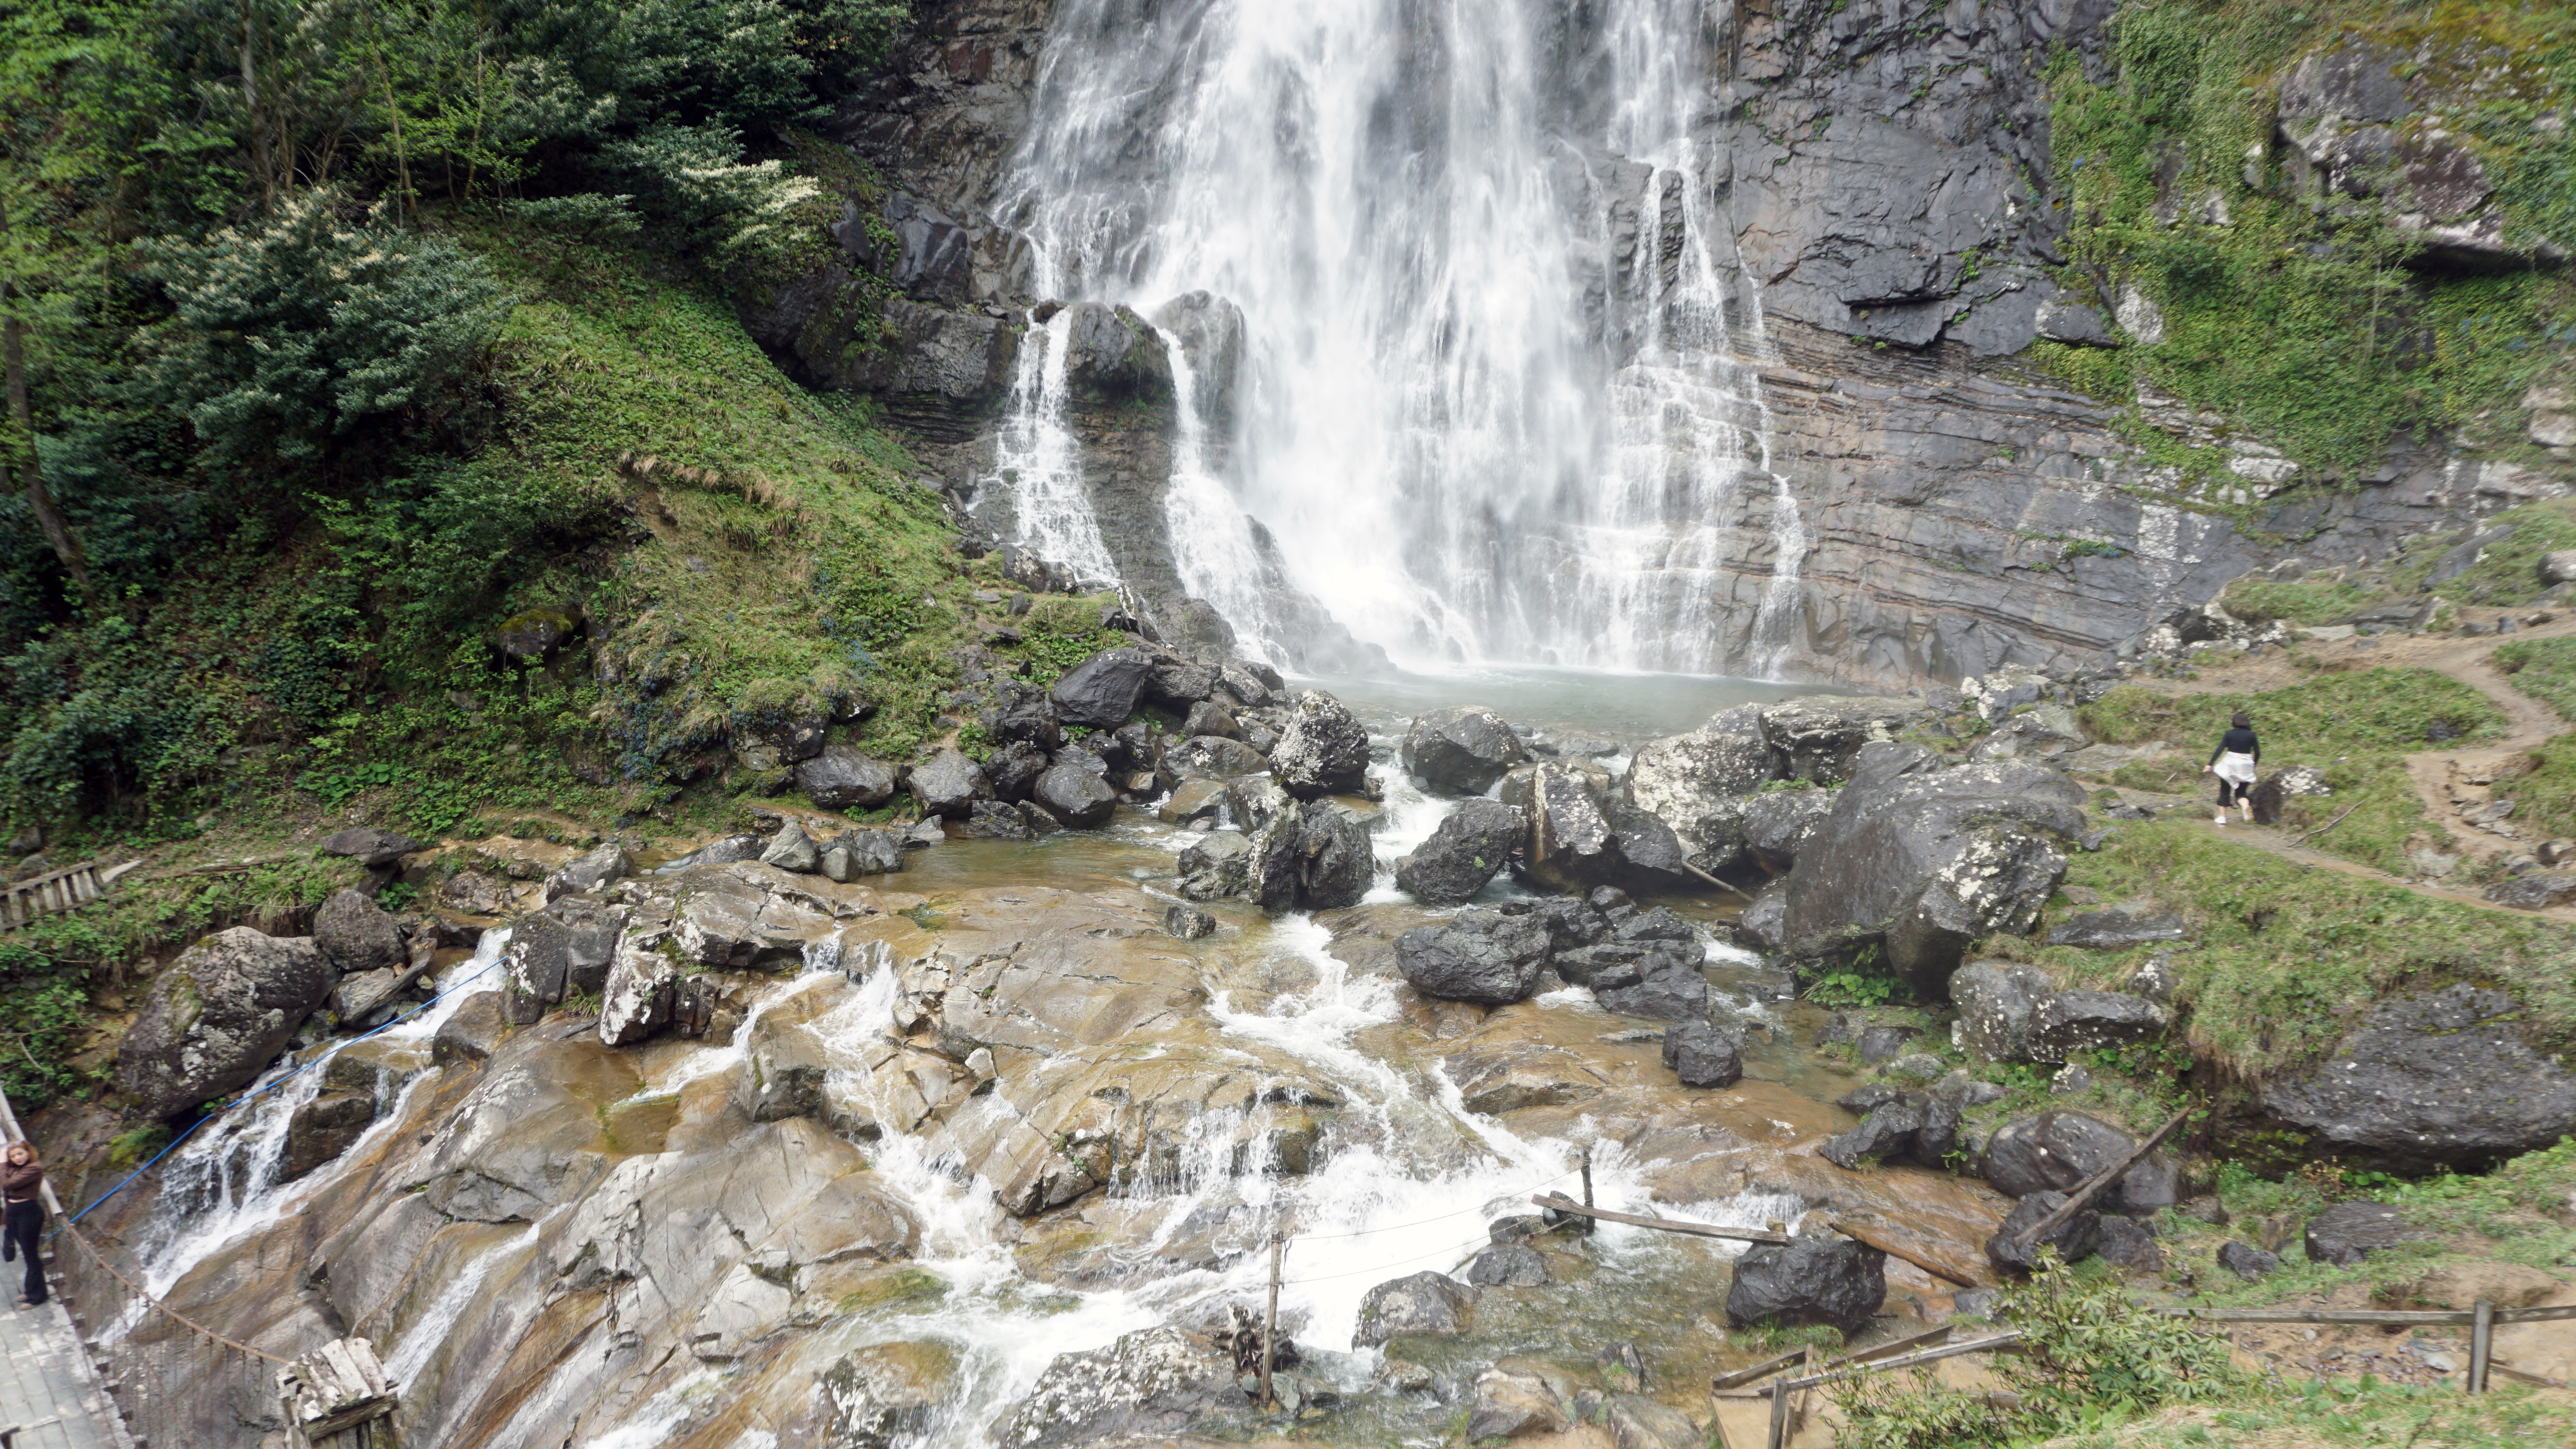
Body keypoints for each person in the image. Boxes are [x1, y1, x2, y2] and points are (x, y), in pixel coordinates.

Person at [2, 1141, 45, 1306]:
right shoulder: (15, 1169)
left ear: (28, 1152)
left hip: (29, 1213)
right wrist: (5, 1220)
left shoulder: (34, 1168)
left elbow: (6, 1184)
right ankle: (31, 1290)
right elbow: (8, 1195)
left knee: (31, 1254)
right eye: (13, 1156)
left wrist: (2, 1164)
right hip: (14, 1212)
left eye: (20, 1154)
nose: (17, 1158)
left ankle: (37, 1296)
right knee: (27, 1255)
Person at [2205, 710, 2260, 826]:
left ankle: (2223, 817)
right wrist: (2253, 766)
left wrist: (2210, 764)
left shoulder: (2229, 734)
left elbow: (2220, 749)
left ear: (2234, 722)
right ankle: (2245, 807)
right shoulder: (2252, 735)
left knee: (2225, 790)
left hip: (2230, 765)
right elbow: (2258, 753)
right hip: (2246, 766)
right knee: (2241, 793)